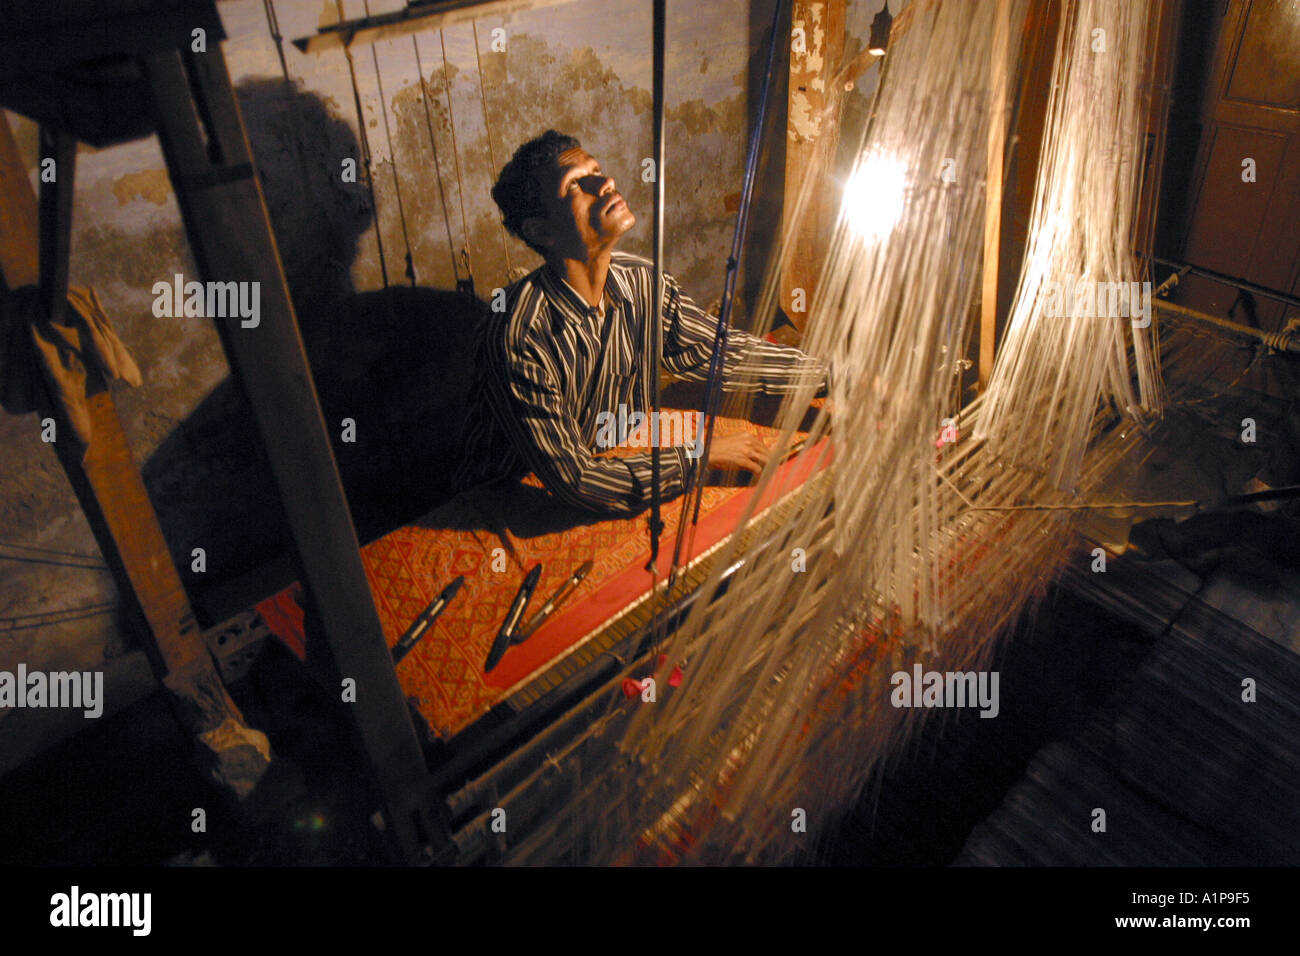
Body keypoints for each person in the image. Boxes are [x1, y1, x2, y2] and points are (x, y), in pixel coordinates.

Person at [456, 130, 824, 516]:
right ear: (541, 231)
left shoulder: (642, 282)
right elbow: (577, 481)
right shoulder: (519, 333)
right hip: (513, 497)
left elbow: (725, 353)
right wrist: (698, 454)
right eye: (577, 184)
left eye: (597, 170)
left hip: (606, 447)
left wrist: (832, 376)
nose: (606, 183)